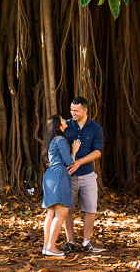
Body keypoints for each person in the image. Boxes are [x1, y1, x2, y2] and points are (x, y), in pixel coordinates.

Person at [62, 96, 105, 254]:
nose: (73, 113)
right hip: (69, 175)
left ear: (85, 110)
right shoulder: (65, 126)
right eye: (72, 110)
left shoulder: (95, 128)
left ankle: (87, 241)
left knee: (90, 208)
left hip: (87, 174)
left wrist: (80, 162)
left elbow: (97, 151)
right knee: (67, 209)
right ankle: (70, 241)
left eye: (76, 110)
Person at [41, 114, 80, 257]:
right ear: (59, 125)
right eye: (63, 120)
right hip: (59, 175)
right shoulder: (61, 139)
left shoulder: (51, 140)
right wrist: (74, 151)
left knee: (51, 213)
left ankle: (46, 246)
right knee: (62, 213)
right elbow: (69, 162)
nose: (65, 121)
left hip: (50, 176)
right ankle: (51, 247)